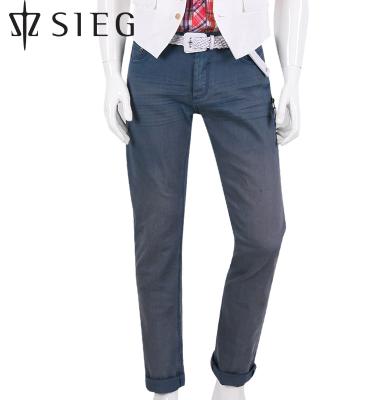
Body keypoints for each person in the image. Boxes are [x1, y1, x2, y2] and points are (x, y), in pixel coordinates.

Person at [99, 1, 308, 399]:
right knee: (156, 235)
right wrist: (110, 71)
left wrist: (293, 77)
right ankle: (164, 386)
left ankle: (231, 377)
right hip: (156, 63)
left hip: (240, 64)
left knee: (263, 233)